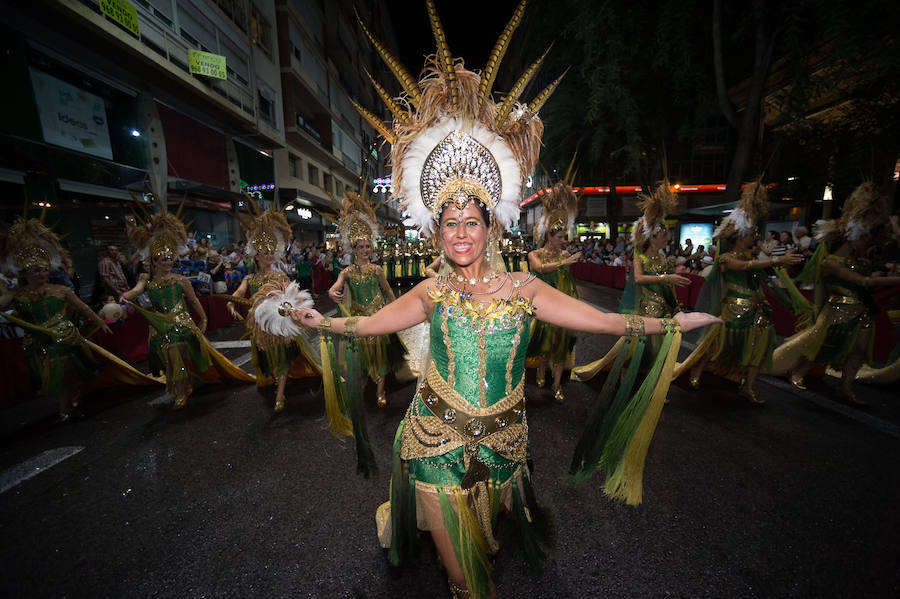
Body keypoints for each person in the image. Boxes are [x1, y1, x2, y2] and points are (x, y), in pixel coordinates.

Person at [284, 15, 721, 598]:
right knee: (467, 576)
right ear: (435, 231)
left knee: (485, 540)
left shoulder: (524, 289)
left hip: (506, 442)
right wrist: (323, 320)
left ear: (491, 227)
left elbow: (606, 320)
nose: (460, 234)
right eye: (449, 224)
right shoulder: (430, 291)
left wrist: (672, 321)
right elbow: (368, 324)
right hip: (434, 441)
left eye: (471, 222)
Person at [0, 216, 159, 421]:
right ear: (25, 273)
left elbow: (83, 308)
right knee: (51, 375)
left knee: (65, 371)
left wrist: (100, 321)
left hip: (64, 337)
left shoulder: (61, 290)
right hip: (37, 343)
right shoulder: (16, 294)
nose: (42, 274)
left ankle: (66, 405)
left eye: (45, 269)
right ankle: (70, 396)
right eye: (37, 270)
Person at [772, 183, 900, 404]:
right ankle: (798, 372)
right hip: (837, 313)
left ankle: (846, 387)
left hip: (861, 314)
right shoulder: (831, 263)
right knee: (823, 347)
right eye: (862, 238)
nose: (865, 242)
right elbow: (864, 281)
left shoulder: (858, 260)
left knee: (858, 351)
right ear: (850, 239)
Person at [122, 200, 254, 410]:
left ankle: (181, 390)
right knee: (169, 359)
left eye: (169, 258)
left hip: (182, 325)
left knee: (176, 352)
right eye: (162, 259)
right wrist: (125, 296)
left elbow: (193, 301)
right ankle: (186, 381)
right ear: (154, 261)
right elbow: (136, 290)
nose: (167, 262)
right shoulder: (147, 279)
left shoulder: (180, 280)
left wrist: (204, 318)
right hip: (158, 328)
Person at [689, 182, 802, 404]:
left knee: (758, 349)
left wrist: (771, 259)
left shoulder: (751, 257)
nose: (755, 238)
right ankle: (696, 372)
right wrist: (776, 258)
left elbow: (758, 271)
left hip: (758, 311)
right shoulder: (726, 259)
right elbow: (742, 268)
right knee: (719, 345)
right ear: (740, 235)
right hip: (733, 311)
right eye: (751, 234)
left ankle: (747, 387)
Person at [228, 204, 322, 412]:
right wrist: (231, 301)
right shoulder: (250, 278)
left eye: (272, 251)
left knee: (281, 357)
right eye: (265, 252)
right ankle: (279, 380)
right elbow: (239, 293)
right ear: (256, 256)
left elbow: (292, 293)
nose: (270, 255)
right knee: (267, 359)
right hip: (259, 327)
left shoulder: (279, 275)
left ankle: (280, 394)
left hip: (278, 324)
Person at [326, 190, 404, 407]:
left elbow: (388, 291)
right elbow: (333, 288)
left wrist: (395, 308)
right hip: (359, 318)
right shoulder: (347, 272)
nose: (365, 250)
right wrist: (332, 294)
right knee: (361, 356)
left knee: (380, 354)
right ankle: (362, 383)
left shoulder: (377, 270)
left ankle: (380, 389)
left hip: (378, 315)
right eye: (360, 247)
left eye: (367, 246)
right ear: (353, 248)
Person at [526, 172, 581, 402]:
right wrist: (563, 262)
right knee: (544, 345)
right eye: (559, 237)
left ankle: (557, 385)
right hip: (542, 308)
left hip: (562, 307)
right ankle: (540, 370)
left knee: (560, 346)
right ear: (549, 236)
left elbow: (567, 284)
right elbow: (540, 270)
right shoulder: (534, 254)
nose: (563, 241)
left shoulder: (566, 254)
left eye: (564, 237)